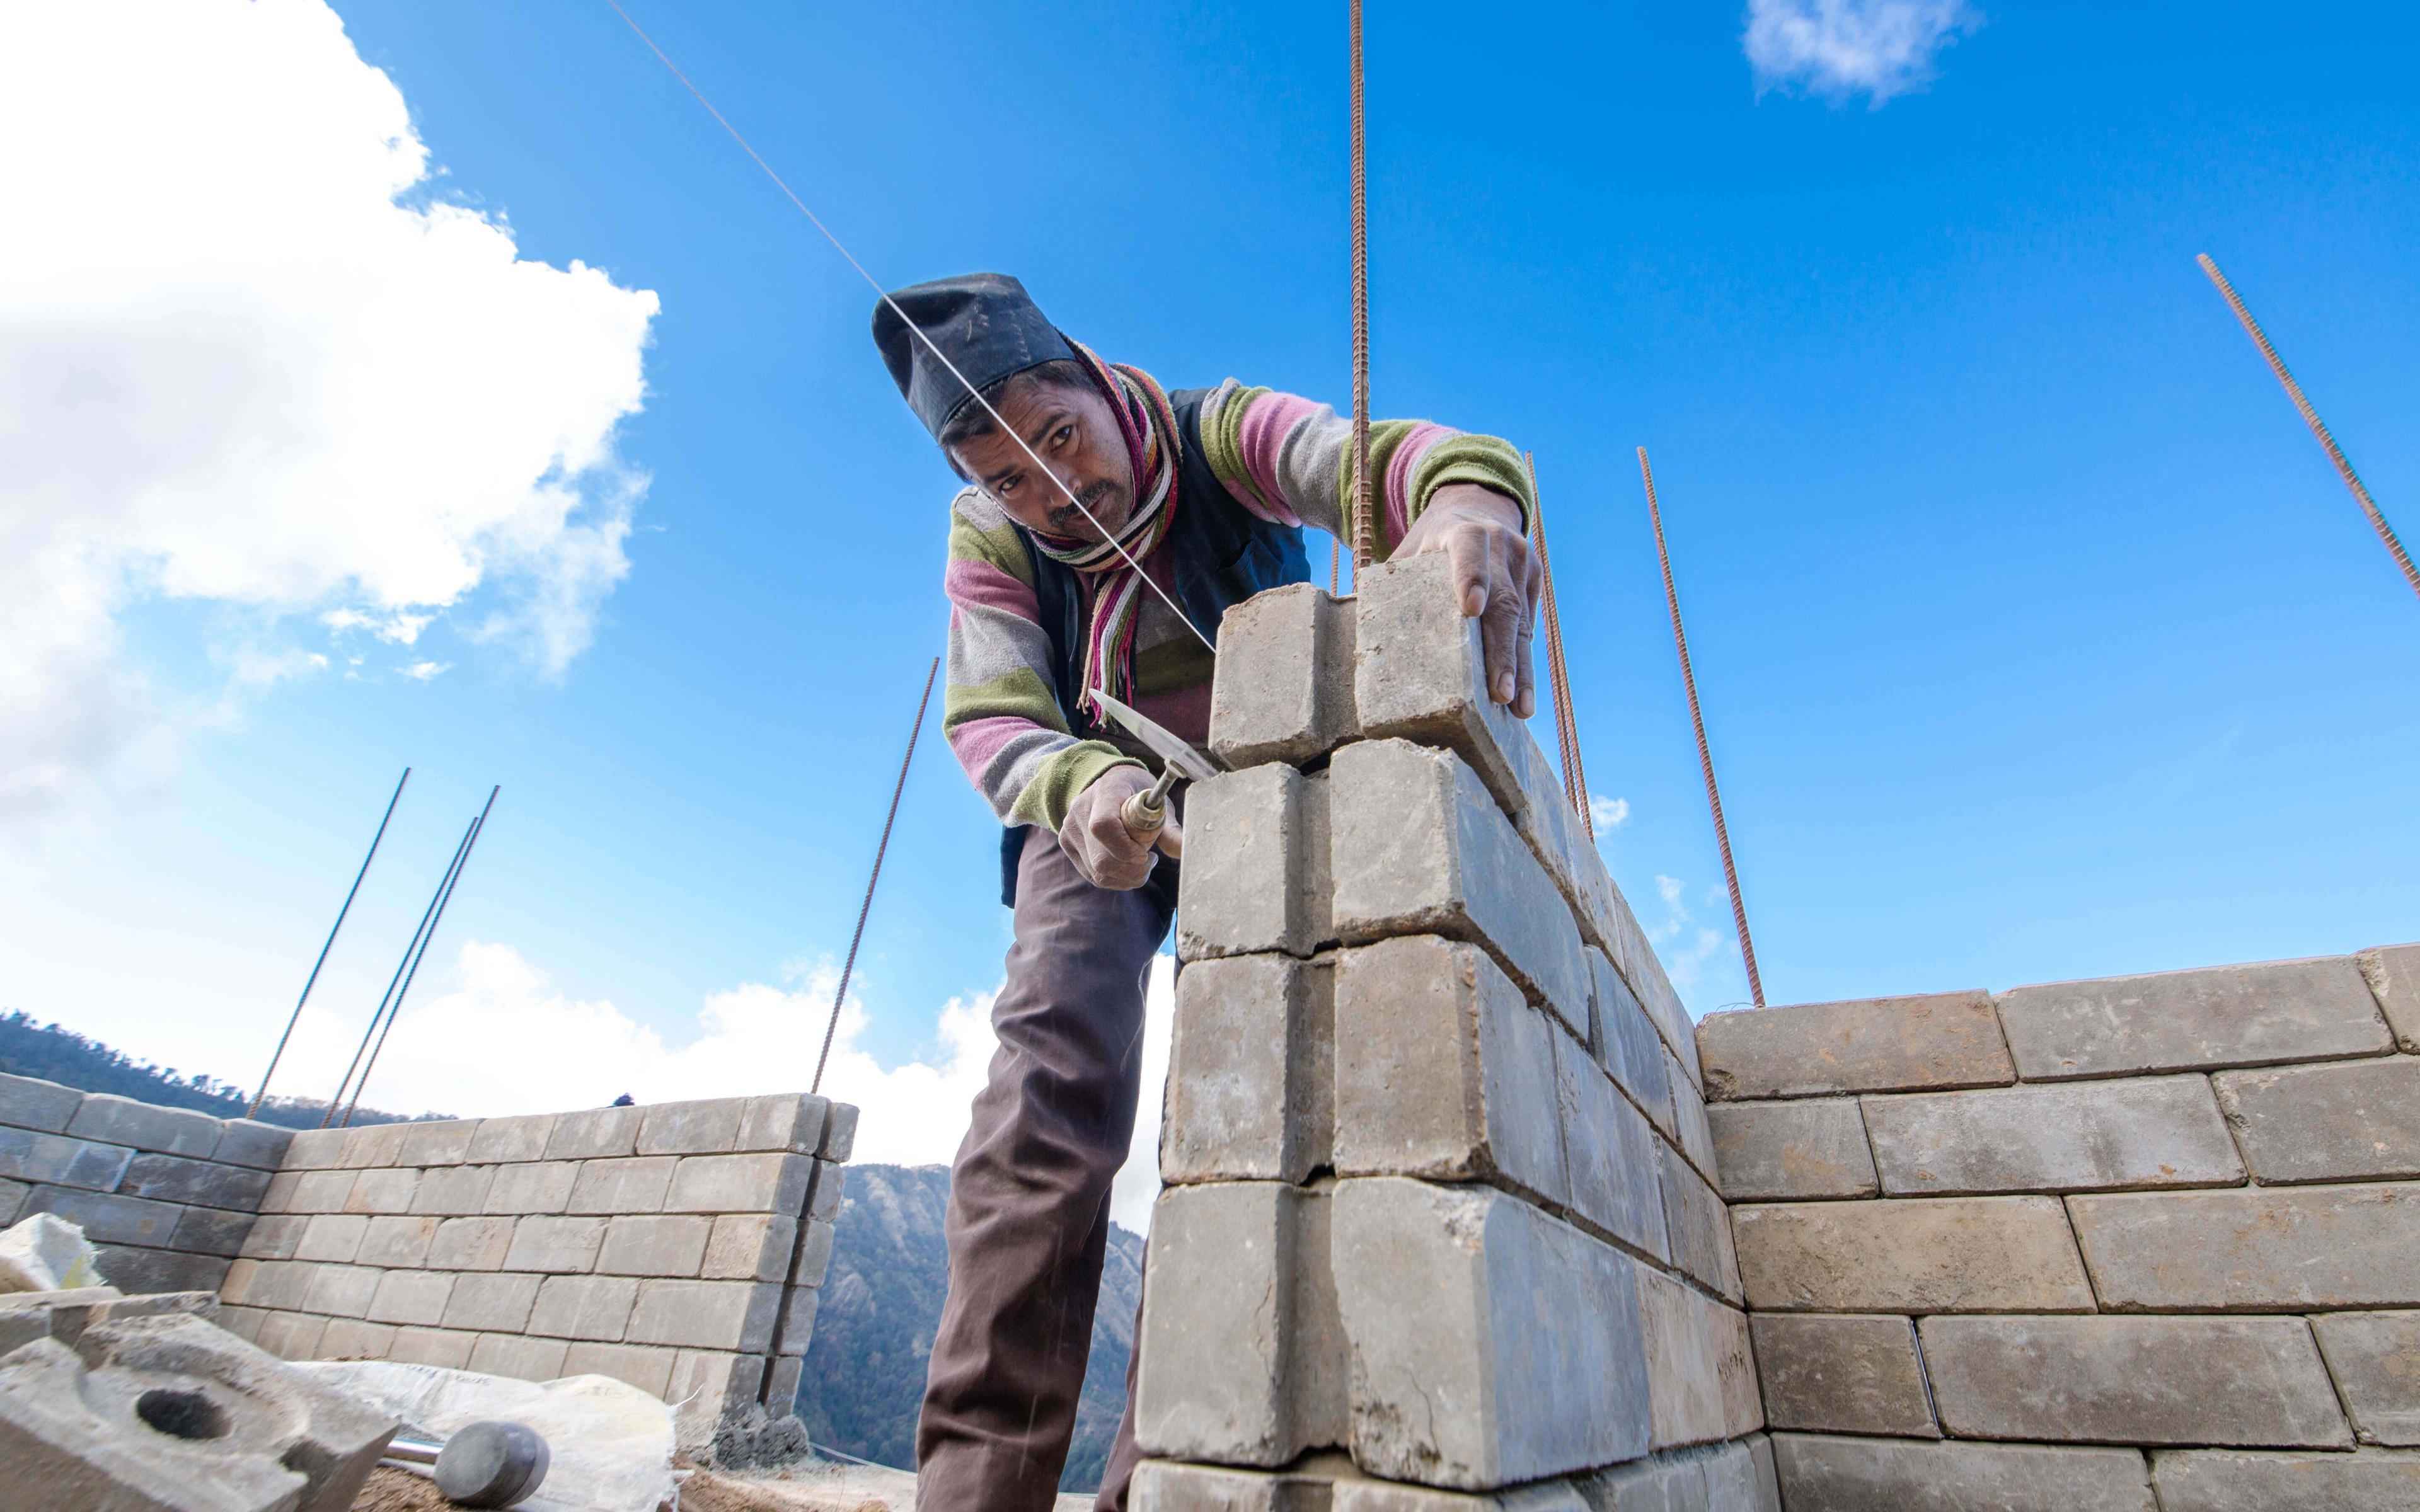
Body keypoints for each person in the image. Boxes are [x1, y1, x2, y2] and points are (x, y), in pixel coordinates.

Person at [873, 273, 1540, 1511]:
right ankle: (974, 1495)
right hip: (1097, 811)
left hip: (1268, 794)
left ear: (1092, 376)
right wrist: (1089, 793)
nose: (1053, 492)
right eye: (1009, 477)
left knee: (1249, 1115)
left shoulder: (1212, 431)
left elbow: (1390, 460)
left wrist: (1465, 500)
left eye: (1060, 438)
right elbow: (993, 714)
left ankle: (1166, 1482)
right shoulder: (988, 535)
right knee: (1044, 1097)